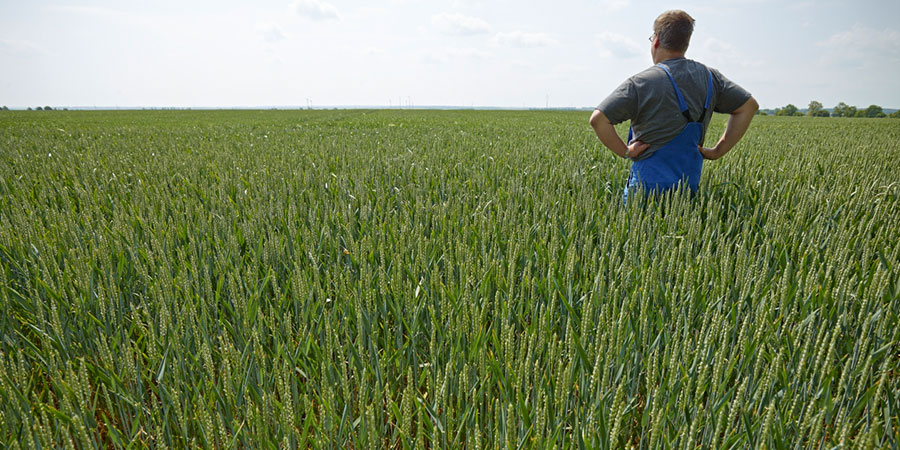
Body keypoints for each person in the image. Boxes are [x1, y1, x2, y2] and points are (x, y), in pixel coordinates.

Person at [589, 10, 758, 202]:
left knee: (637, 231)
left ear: (657, 40)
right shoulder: (711, 78)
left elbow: (598, 119)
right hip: (687, 188)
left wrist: (625, 151)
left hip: (645, 189)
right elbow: (749, 106)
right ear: (686, 42)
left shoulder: (641, 82)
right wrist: (718, 151)